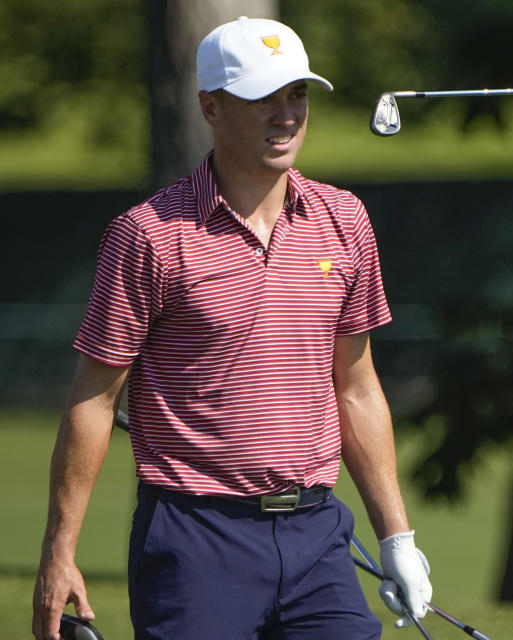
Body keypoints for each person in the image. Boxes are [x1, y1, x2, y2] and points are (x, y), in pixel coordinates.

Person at [32, 16, 432, 639]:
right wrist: (60, 553)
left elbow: (355, 388)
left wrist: (397, 538)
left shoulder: (344, 220)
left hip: (317, 536)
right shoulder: (148, 236)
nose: (286, 115)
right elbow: (94, 401)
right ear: (211, 107)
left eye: (296, 95)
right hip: (195, 541)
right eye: (262, 98)